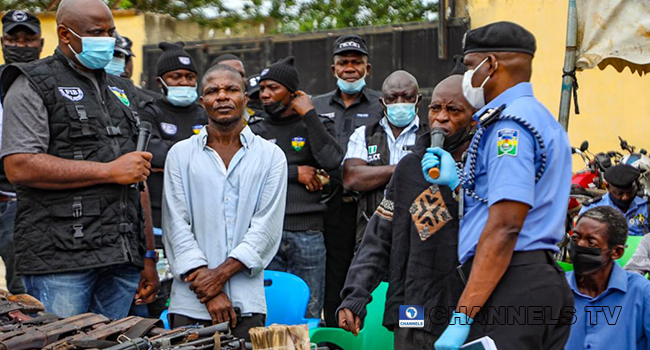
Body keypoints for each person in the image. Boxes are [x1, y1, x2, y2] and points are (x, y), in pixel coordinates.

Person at [0, 0, 159, 319]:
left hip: (122, 254)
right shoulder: (31, 83)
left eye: (111, 31)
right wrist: (109, 171)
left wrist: (148, 254)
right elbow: (19, 165)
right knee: (62, 341)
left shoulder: (122, 89)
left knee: (114, 341)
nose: (107, 39)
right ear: (65, 34)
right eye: (97, 32)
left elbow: (136, 176)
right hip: (60, 258)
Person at [422, 21, 574, 350]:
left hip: (512, 282)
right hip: (535, 280)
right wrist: (459, 181)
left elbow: (505, 225)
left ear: (489, 65)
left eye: (467, 67)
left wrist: (462, 318)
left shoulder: (509, 128)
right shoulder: (539, 117)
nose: (466, 79)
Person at [338, 72, 477, 350]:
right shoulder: (410, 168)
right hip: (412, 306)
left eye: (453, 110)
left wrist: (459, 186)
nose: (441, 118)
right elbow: (378, 237)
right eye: (436, 108)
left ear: (474, 118)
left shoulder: (482, 168)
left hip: (464, 309)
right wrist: (356, 295)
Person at [162, 64, 287, 341]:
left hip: (247, 301)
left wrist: (218, 277)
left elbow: (266, 228)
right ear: (201, 101)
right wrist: (209, 288)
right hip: (190, 300)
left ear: (245, 98)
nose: (222, 96)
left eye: (231, 89)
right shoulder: (180, 155)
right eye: (212, 91)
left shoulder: (271, 156)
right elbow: (175, 226)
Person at [249, 56, 344, 319]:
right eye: (263, 88)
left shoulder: (316, 123)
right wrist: (294, 172)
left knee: (308, 311)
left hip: (308, 231)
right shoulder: (254, 129)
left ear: (293, 93)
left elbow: (333, 162)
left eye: (273, 88)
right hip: (266, 231)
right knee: (270, 313)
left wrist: (310, 115)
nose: (265, 94)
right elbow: (245, 174)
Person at [312, 34, 384, 326]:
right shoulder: (315, 106)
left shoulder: (384, 104)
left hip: (371, 206)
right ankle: (334, 337)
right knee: (334, 277)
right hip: (331, 208)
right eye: (343, 62)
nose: (349, 68)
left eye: (357, 62)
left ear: (367, 69)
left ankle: (373, 335)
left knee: (371, 270)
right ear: (334, 69)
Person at [342, 70, 427, 243]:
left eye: (407, 97)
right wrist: (404, 168)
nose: (400, 103)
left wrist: (376, 174)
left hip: (417, 232)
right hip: (371, 231)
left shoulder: (430, 136)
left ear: (418, 100)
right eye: (392, 98)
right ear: (382, 103)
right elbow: (352, 178)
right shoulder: (364, 134)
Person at [0, 9, 44, 295]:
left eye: (28, 39)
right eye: (13, 39)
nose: (20, 45)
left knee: (23, 291)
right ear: (2, 41)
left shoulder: (48, 84)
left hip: (25, 200)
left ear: (41, 43)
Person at [566, 206, 650, 350]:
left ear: (616, 252)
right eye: (575, 238)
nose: (580, 246)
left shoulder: (641, 294)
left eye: (591, 242)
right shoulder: (556, 289)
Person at [143, 42, 207, 230]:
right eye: (175, 77)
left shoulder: (205, 114)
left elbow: (218, 152)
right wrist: (197, 153)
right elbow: (151, 150)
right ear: (160, 82)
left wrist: (169, 158)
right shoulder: (150, 111)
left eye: (190, 77)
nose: (184, 82)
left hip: (198, 211)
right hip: (158, 211)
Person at [581, 164, 648, 236]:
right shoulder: (592, 210)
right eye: (619, 193)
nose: (625, 197)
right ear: (608, 187)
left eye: (630, 192)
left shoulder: (646, 206)